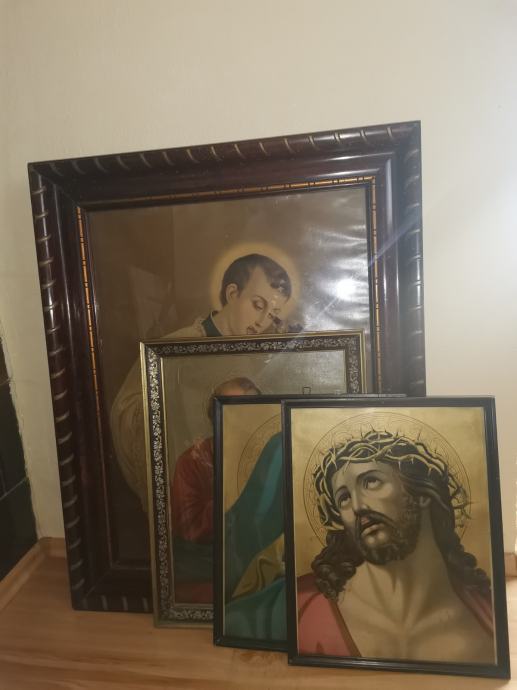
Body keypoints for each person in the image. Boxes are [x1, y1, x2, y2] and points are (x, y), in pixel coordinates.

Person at [110, 253, 293, 509]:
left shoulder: (259, 359)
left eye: (272, 315)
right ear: (232, 293)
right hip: (189, 485)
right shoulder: (176, 349)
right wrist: (173, 415)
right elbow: (126, 413)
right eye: (257, 305)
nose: (262, 322)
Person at [298, 429, 495, 663]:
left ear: (422, 492)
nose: (358, 507)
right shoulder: (304, 606)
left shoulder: (487, 613)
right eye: (344, 498)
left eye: (371, 482)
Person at [171, 376, 261, 604]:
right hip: (208, 572)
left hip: (260, 566)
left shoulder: (269, 454)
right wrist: (233, 493)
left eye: (250, 411)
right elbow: (190, 528)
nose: (242, 419)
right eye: (232, 411)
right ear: (215, 417)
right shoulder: (191, 462)